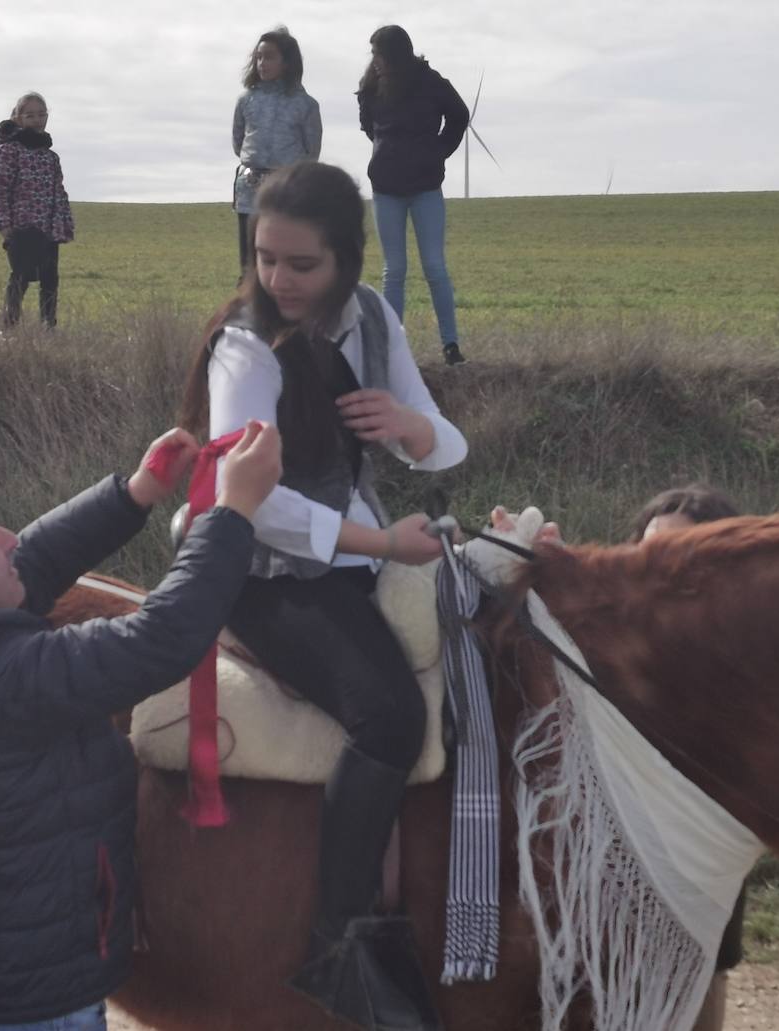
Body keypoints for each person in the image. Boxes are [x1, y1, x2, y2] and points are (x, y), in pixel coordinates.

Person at [0, 422, 282, 1031]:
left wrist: (134, 494)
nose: (10, 538)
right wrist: (233, 514)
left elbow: (28, 564)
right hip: (14, 1005)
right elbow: (157, 640)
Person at [182, 160, 467, 1031]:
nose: (278, 279)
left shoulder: (376, 316)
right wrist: (382, 541)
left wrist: (410, 428)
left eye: (300, 264)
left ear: (346, 258)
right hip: (255, 570)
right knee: (389, 716)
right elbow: (253, 500)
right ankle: (338, 940)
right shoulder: (243, 343)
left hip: (350, 552)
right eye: (266, 258)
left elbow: (442, 442)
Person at [631, 483, 746, 1031]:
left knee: (703, 973)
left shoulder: (743, 642)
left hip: (704, 846)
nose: (662, 566)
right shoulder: (611, 626)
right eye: (651, 549)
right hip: (622, 842)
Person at [356, 25, 470, 367]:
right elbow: (368, 126)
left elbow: (460, 116)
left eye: (378, 53)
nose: (374, 60)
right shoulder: (372, 87)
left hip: (426, 187)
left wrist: (438, 152)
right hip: (386, 188)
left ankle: (451, 346)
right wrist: (387, 152)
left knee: (435, 267)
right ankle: (394, 349)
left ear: (394, 54)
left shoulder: (430, 82)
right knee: (395, 270)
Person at [232, 27, 322, 274]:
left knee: (284, 259)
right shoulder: (245, 100)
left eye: (269, 57)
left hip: (288, 191)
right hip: (249, 189)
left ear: (287, 62)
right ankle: (249, 309)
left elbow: (312, 151)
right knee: (250, 264)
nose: (262, 63)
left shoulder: (306, 105)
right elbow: (238, 141)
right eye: (258, 57)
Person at [0, 91, 74, 328]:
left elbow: (58, 191)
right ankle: (8, 328)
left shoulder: (51, 156)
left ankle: (49, 328)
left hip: (49, 227)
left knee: (50, 280)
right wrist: (4, 226)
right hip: (22, 226)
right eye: (30, 116)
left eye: (42, 115)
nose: (37, 120)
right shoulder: (9, 151)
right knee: (21, 277)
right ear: (18, 118)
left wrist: (63, 224)